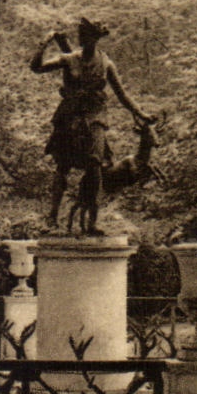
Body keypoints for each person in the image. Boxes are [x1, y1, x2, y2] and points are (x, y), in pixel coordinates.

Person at [30, 17, 150, 234]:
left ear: (95, 38)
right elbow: (36, 67)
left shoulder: (106, 63)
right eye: (80, 35)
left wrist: (141, 113)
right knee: (63, 166)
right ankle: (52, 217)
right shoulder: (69, 59)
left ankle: (93, 222)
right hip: (70, 116)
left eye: (86, 35)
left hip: (95, 116)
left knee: (96, 165)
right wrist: (45, 43)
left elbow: (122, 94)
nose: (82, 39)